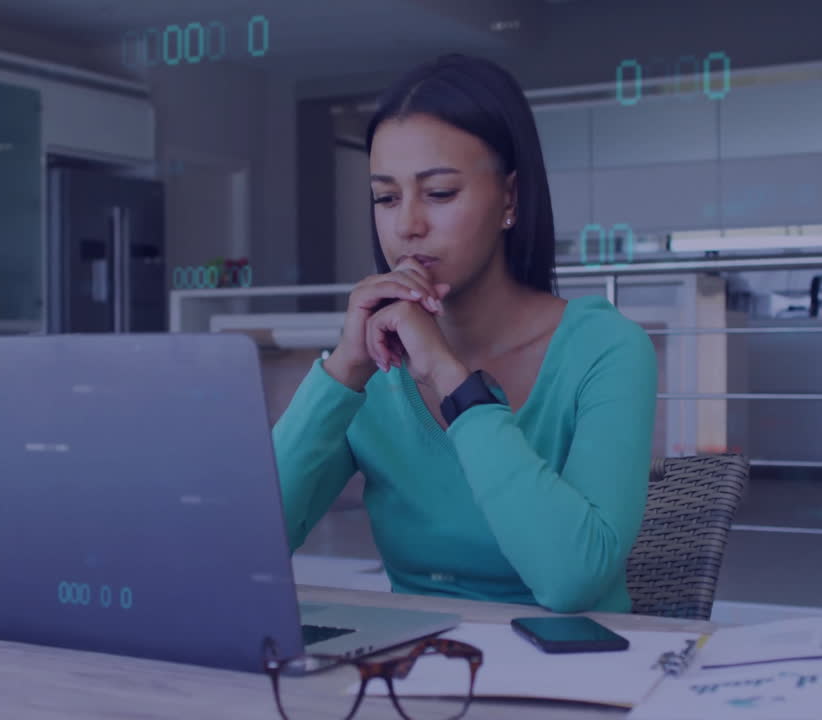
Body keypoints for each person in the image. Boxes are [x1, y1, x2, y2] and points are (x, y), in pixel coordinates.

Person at [272, 53, 657, 613]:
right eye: (386, 197)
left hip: (571, 678)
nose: (406, 225)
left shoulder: (606, 349)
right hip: (413, 677)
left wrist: (451, 378)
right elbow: (246, 550)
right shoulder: (373, 366)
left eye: (440, 193)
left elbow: (573, 582)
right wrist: (342, 372)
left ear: (509, 198)